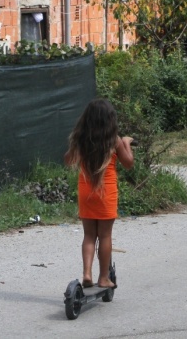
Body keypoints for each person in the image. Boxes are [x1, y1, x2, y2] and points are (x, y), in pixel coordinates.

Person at [64, 99, 134, 288]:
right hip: (106, 192)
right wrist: (126, 142)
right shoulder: (114, 140)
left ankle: (87, 273)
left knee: (88, 236)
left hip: (86, 190)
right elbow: (128, 163)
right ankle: (103, 278)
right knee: (104, 236)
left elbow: (68, 160)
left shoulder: (81, 138)